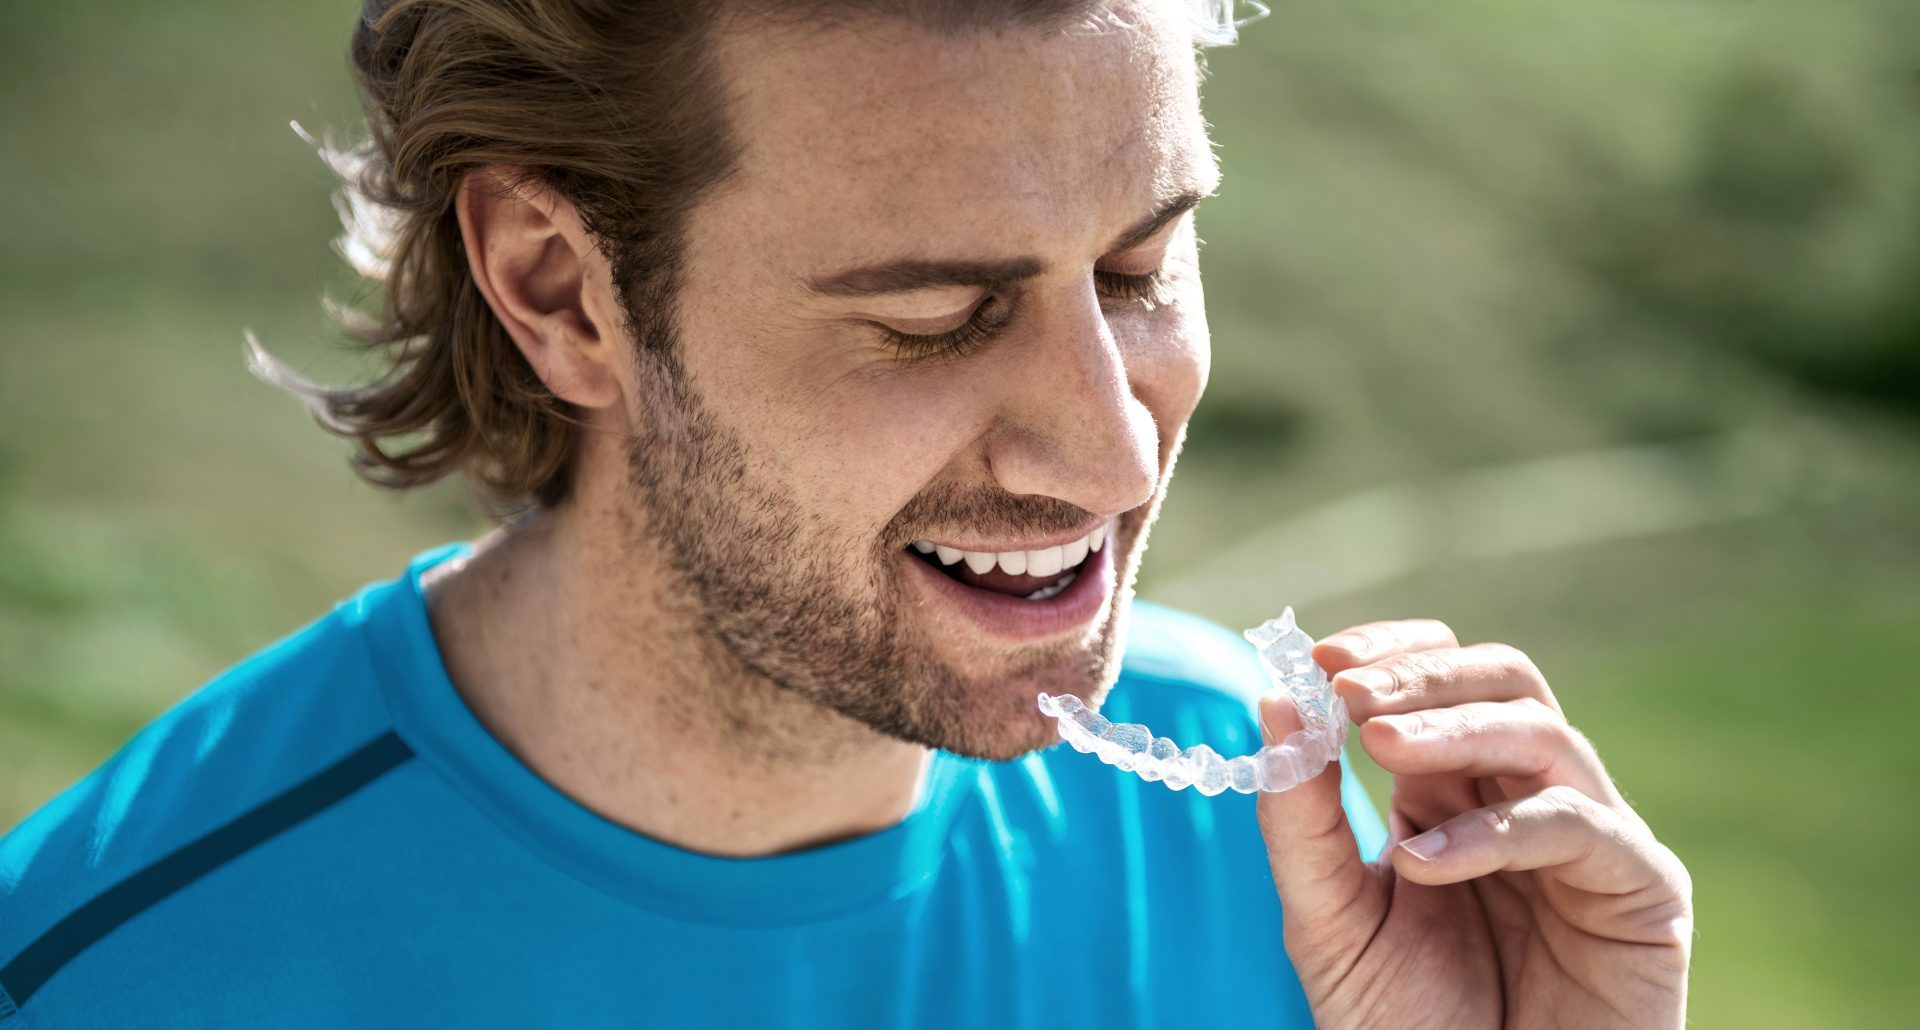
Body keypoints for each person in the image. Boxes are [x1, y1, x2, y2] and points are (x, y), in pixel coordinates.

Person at [0, 1, 1691, 1026]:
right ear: (561, 289)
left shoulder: (1294, 851)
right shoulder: (117, 972)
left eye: (1139, 269)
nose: (1115, 456)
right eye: (936, 315)